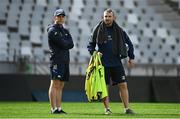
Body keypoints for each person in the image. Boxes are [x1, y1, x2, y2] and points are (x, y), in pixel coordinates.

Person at [87, 8, 135, 115]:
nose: (107, 18)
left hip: (117, 62)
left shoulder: (120, 30)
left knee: (123, 85)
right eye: (105, 16)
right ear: (102, 17)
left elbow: (130, 44)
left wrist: (131, 58)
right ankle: (107, 109)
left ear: (114, 17)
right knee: (105, 87)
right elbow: (90, 45)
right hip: (102, 64)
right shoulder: (97, 29)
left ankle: (127, 108)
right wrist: (95, 53)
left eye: (109, 16)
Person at [47, 8, 74, 114]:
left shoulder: (65, 31)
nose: (61, 18)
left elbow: (71, 44)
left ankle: (58, 108)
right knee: (54, 84)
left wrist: (65, 42)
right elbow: (64, 44)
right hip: (56, 60)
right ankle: (53, 108)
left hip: (65, 60)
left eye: (62, 16)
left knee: (61, 85)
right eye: (58, 16)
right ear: (55, 17)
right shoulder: (52, 30)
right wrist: (65, 42)